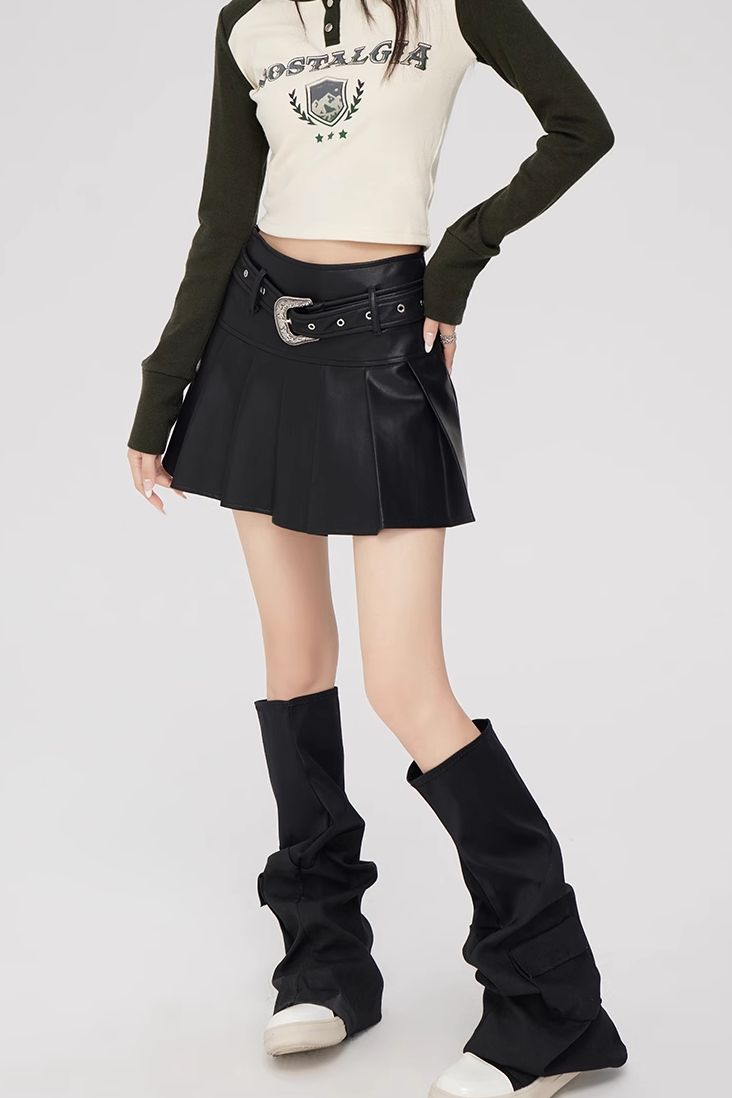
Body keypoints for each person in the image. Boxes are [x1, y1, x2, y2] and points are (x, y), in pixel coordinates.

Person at [126, 0, 628, 1095]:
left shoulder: (459, 3)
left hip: (384, 345)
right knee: (294, 659)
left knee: (406, 685)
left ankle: (553, 1004)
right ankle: (325, 962)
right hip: (251, 346)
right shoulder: (250, 18)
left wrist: (461, 257)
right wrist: (163, 393)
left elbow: (580, 127)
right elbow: (223, 214)